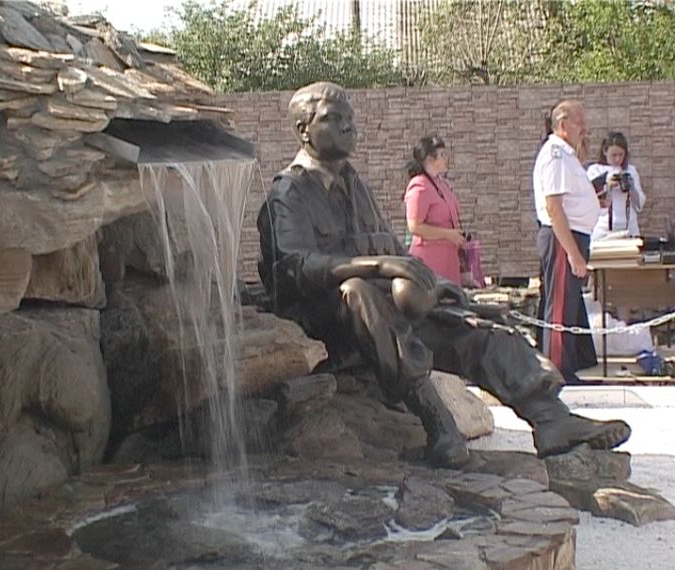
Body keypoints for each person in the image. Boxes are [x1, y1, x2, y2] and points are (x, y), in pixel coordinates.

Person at [258, 82, 630, 468]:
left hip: (385, 315)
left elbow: (393, 252)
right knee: (357, 292)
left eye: (349, 118)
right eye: (333, 119)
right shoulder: (290, 192)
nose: (348, 127)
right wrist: (378, 267)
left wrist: (440, 287)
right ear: (304, 130)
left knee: (472, 325)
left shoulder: (357, 187)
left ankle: (552, 420)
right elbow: (295, 265)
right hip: (325, 327)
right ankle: (438, 424)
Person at [533, 100, 599, 385]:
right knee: (559, 306)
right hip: (562, 238)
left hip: (572, 235)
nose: (584, 128)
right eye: (578, 122)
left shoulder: (568, 155)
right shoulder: (555, 155)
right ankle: (558, 372)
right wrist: (573, 253)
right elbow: (554, 207)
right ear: (562, 125)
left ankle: (568, 366)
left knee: (569, 305)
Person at [403, 135, 466, 285]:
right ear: (430, 159)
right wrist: (447, 234)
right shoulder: (420, 186)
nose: (446, 159)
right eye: (442, 155)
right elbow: (415, 226)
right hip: (429, 261)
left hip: (448, 259)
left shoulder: (441, 184)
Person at [586, 131, 646, 240]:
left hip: (629, 228)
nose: (617, 159)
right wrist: (606, 185)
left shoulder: (631, 171)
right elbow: (587, 198)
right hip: (603, 229)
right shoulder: (595, 170)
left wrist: (631, 187)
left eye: (621, 155)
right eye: (614, 155)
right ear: (605, 151)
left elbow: (639, 204)